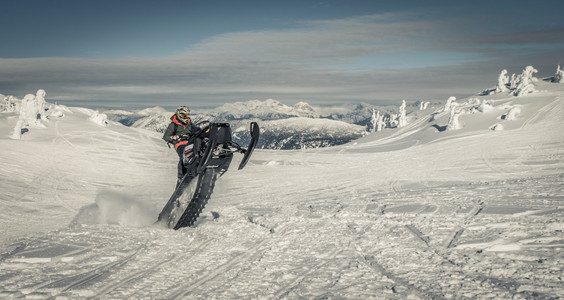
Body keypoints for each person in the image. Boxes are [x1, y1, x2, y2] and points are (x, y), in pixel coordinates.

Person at [163, 106, 199, 185]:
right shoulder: (173, 125)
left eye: (187, 115)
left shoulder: (190, 124)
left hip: (191, 143)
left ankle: (197, 167)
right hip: (180, 144)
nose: (186, 117)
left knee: (197, 153)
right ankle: (181, 176)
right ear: (179, 115)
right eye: (184, 115)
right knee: (184, 155)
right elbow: (166, 137)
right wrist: (175, 138)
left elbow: (195, 131)